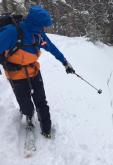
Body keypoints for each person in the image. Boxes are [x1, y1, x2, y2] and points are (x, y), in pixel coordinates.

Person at [0, 6, 75, 138]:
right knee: (26, 104)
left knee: (41, 101)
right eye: (43, 26)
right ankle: (28, 114)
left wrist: (64, 62)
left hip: (34, 71)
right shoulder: (12, 32)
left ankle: (46, 129)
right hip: (16, 74)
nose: (44, 29)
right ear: (36, 23)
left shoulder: (39, 35)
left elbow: (51, 47)